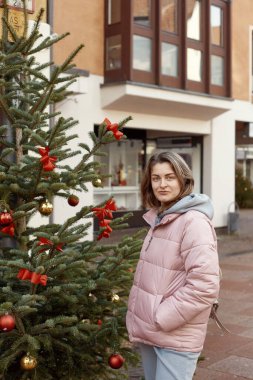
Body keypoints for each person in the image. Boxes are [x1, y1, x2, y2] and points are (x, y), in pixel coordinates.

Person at [126, 151, 220, 380]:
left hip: (175, 333)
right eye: (156, 178)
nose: (162, 184)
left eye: (169, 177)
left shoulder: (193, 222)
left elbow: (205, 286)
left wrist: (162, 316)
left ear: (183, 180)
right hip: (152, 329)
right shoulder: (160, 218)